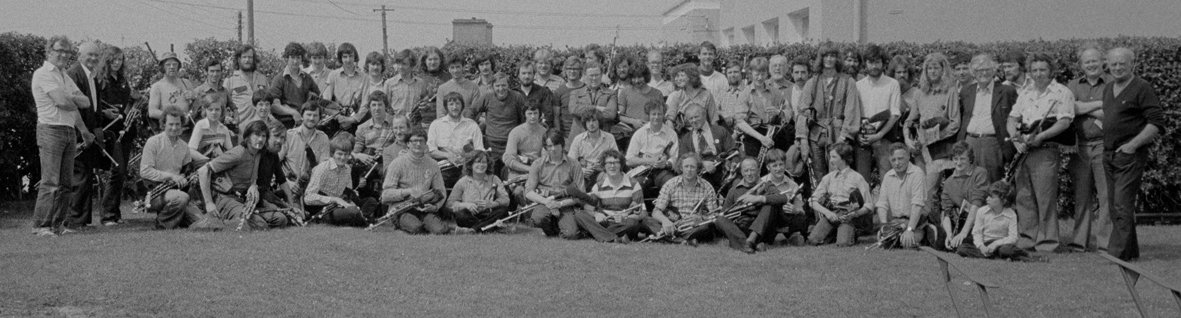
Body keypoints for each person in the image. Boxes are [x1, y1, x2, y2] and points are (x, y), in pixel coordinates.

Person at [1007, 53, 1075, 253]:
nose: (1038, 74)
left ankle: (1047, 243)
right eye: (1034, 70)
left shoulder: (1062, 92)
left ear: (1051, 71)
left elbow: (1064, 122)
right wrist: (1014, 136)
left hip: (1045, 151)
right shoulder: (1025, 92)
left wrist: (1042, 136)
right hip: (1023, 150)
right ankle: (1027, 239)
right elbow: (1012, 118)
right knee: (1024, 196)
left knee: (1044, 197)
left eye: (1042, 70)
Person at [1103, 47, 1164, 261]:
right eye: (1113, 64)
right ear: (1108, 66)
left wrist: (1133, 145)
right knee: (1116, 205)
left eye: (1122, 63)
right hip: (1109, 154)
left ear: (1133, 64)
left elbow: (1156, 122)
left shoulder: (1142, 87)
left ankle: (1117, 255)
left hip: (1129, 155)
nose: (1118, 67)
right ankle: (1130, 252)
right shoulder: (1109, 88)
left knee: (1121, 203)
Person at [31, 35, 93, 236]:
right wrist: (69, 97)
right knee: (50, 181)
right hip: (50, 130)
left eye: (67, 52)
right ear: (49, 51)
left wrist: (69, 99)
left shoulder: (64, 76)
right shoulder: (42, 74)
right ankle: (41, 226)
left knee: (66, 183)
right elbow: (62, 102)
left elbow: (86, 102)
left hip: (68, 131)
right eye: (60, 51)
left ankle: (58, 225)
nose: (64, 55)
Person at [526, 131, 622, 242]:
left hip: (566, 202)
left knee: (571, 235)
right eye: (549, 146)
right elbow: (528, 192)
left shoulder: (574, 164)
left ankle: (560, 224)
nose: (553, 149)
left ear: (562, 145)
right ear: (545, 147)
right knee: (538, 219)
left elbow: (581, 194)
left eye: (556, 145)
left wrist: (560, 204)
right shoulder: (537, 164)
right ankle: (552, 227)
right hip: (545, 200)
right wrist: (547, 202)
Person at [197, 121, 291, 230]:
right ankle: (208, 224)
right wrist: (209, 203)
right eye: (256, 135)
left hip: (242, 199)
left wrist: (253, 185)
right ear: (247, 136)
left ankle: (236, 221)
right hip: (225, 197)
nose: (260, 139)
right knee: (257, 225)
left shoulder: (258, 153)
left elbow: (258, 177)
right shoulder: (238, 153)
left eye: (263, 136)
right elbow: (203, 171)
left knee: (280, 220)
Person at [1066, 46, 1113, 253]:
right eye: (1087, 62)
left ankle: (1105, 243)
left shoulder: (1113, 83)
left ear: (1102, 61)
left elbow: (1113, 112)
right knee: (1081, 196)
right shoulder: (1073, 85)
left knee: (1106, 196)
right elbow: (1070, 108)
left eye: (1095, 60)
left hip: (1105, 145)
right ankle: (1079, 242)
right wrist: (1098, 106)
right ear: (1081, 65)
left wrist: (1084, 107)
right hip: (1080, 147)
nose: (1091, 65)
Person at [139, 107, 217, 230]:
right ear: (164, 124)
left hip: (177, 192)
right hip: (153, 192)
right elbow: (145, 171)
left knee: (203, 223)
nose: (174, 128)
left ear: (182, 125)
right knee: (182, 198)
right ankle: (162, 225)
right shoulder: (153, 142)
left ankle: (178, 217)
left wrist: (191, 179)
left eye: (177, 124)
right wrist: (170, 176)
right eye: (171, 124)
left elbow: (185, 174)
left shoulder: (184, 147)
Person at [66, 41, 117, 229]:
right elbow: (73, 106)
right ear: (80, 56)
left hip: (90, 133)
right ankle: (73, 221)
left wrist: (103, 114)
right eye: (90, 55)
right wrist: (84, 132)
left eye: (96, 55)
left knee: (86, 176)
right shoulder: (74, 74)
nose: (94, 59)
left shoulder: (92, 76)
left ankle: (83, 220)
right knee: (78, 177)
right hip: (79, 133)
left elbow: (92, 105)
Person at [904, 53, 961, 210]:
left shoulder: (950, 91)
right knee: (922, 191)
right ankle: (925, 227)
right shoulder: (919, 93)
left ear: (943, 69)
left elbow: (955, 123)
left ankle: (940, 228)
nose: (933, 71)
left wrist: (935, 137)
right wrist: (908, 140)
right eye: (929, 68)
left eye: (936, 68)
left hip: (941, 149)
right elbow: (910, 120)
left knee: (932, 190)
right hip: (922, 150)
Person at [797, 46, 863, 178]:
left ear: (837, 59)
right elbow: (802, 111)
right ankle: (819, 199)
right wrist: (803, 140)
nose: (829, 59)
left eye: (832, 55)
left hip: (838, 135)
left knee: (837, 175)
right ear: (821, 59)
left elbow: (851, 112)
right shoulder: (812, 82)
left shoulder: (848, 81)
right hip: (815, 135)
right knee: (818, 175)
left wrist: (843, 138)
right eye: (825, 56)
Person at [719, 153, 805, 252]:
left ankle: (750, 240)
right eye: (746, 170)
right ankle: (749, 244)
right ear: (742, 172)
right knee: (720, 219)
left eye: (752, 170)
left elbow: (783, 197)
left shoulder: (766, 185)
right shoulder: (733, 190)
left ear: (758, 171)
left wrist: (759, 199)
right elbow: (724, 213)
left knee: (769, 204)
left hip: (763, 231)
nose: (749, 173)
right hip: (743, 227)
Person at [957, 53, 1019, 182]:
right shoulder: (966, 91)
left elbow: (1016, 117)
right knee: (968, 182)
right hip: (969, 141)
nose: (983, 73)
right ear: (973, 72)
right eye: (979, 70)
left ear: (993, 71)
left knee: (992, 182)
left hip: (992, 143)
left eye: (987, 69)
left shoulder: (1007, 91)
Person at [94, 45, 137, 226]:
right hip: (109, 131)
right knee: (116, 171)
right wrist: (105, 113)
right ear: (107, 61)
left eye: (120, 60)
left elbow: (127, 104)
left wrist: (135, 103)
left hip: (125, 130)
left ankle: (116, 213)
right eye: (114, 60)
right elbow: (95, 106)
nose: (117, 63)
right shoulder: (100, 81)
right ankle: (107, 216)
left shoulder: (123, 80)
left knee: (121, 172)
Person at [650, 153, 731, 247]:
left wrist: (700, 218)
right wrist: (665, 221)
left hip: (694, 226)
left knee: (706, 228)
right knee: (648, 221)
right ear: (681, 168)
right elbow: (656, 211)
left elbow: (714, 214)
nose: (689, 170)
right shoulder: (670, 184)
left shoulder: (707, 187)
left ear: (698, 169)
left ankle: (669, 238)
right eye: (686, 166)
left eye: (692, 167)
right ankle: (682, 241)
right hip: (672, 223)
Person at [381, 128, 448, 234]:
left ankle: (456, 229)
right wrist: (408, 191)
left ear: (426, 144)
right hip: (401, 210)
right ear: (408, 144)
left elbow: (441, 191)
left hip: (424, 209)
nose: (418, 144)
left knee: (439, 231)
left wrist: (435, 207)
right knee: (417, 229)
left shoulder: (433, 164)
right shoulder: (397, 163)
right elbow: (385, 196)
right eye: (414, 141)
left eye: (421, 141)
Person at [305, 133, 380, 227]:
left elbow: (348, 193)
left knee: (371, 201)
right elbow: (308, 198)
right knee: (353, 211)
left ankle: (359, 219)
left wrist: (349, 201)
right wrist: (334, 199)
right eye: (339, 154)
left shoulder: (347, 169)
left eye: (346, 155)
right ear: (332, 154)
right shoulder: (322, 168)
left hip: (339, 206)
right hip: (322, 209)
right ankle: (363, 220)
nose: (343, 158)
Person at [807, 143, 872, 247]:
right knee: (812, 240)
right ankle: (834, 232)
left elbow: (869, 205)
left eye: (834, 157)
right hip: (832, 213)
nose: (830, 160)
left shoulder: (857, 178)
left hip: (849, 215)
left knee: (843, 243)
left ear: (844, 158)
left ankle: (852, 232)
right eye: (830, 157)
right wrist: (827, 213)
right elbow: (812, 201)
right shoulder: (828, 178)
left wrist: (854, 215)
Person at [956, 181, 1039, 261]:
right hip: (985, 243)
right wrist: (981, 247)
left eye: (991, 197)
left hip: (1001, 245)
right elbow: (977, 232)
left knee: (1006, 250)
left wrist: (996, 244)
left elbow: (1013, 238)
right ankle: (998, 257)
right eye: (988, 196)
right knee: (962, 248)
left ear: (1003, 200)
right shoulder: (981, 211)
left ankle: (1025, 255)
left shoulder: (1011, 214)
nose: (987, 199)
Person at [854, 45, 903, 180]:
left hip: (884, 138)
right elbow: (854, 114)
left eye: (877, 62)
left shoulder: (892, 84)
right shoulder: (858, 86)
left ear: (883, 63)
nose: (874, 66)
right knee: (862, 181)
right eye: (871, 62)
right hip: (862, 139)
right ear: (865, 64)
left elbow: (895, 114)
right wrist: (858, 135)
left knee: (887, 179)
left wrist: (879, 135)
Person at [586, 150, 657, 240]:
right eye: (609, 163)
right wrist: (596, 215)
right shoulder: (598, 186)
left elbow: (642, 213)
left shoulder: (633, 184)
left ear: (621, 165)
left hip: (625, 222)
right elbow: (588, 208)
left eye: (616, 163)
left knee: (633, 223)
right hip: (606, 221)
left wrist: (625, 217)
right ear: (604, 166)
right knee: (580, 215)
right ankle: (614, 235)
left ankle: (602, 234)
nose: (612, 166)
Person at [469, 72, 527, 176]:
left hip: (511, 145)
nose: (501, 89)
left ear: (508, 85)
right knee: (491, 175)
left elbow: (524, 119)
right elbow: (471, 111)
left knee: (510, 175)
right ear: (492, 86)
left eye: (504, 85)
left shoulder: (517, 97)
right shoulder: (487, 97)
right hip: (491, 145)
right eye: (497, 86)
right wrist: (473, 129)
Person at [937, 142, 989, 251]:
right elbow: (946, 212)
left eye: (962, 159)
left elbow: (976, 205)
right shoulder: (948, 182)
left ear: (970, 159)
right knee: (940, 243)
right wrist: (949, 234)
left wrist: (963, 234)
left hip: (982, 223)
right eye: (955, 159)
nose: (958, 163)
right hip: (961, 222)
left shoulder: (980, 173)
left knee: (962, 247)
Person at [874, 143, 927, 249]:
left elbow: (917, 204)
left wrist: (910, 230)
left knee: (907, 243)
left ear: (908, 157)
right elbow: (882, 204)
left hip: (915, 222)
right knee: (885, 242)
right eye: (893, 160)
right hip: (895, 222)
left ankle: (925, 232)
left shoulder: (917, 173)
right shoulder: (888, 176)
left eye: (900, 159)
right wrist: (883, 226)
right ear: (889, 160)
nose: (897, 163)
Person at [428, 92, 485, 187]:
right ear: (446, 107)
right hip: (444, 168)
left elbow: (480, 150)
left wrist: (467, 156)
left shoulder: (472, 125)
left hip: (467, 167)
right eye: (451, 104)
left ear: (462, 106)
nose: (454, 107)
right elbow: (431, 150)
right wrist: (448, 155)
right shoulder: (436, 125)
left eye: (457, 104)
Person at [739, 57, 792, 159]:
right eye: (756, 74)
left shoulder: (774, 92)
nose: (759, 78)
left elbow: (788, 112)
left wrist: (779, 112)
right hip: (754, 136)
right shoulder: (745, 94)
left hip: (773, 135)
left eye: (762, 74)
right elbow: (740, 122)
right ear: (751, 74)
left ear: (767, 74)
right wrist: (761, 138)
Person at [625, 101, 679, 198]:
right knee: (637, 185)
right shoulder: (639, 133)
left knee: (671, 184)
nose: (657, 117)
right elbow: (629, 160)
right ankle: (639, 211)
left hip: (663, 170)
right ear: (648, 115)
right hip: (643, 170)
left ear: (664, 115)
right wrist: (649, 160)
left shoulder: (672, 134)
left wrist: (666, 163)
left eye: (659, 114)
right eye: (653, 114)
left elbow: (675, 157)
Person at [448, 150, 511, 232]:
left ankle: (473, 230)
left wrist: (492, 204)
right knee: (460, 214)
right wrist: (465, 205)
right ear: (470, 165)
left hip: (489, 214)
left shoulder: (494, 179)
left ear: (488, 164)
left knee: (503, 210)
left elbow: (506, 200)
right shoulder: (462, 181)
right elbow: (449, 204)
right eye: (478, 162)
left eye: (484, 162)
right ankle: (489, 227)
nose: (481, 165)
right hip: (470, 216)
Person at [677, 103, 733, 188]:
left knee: (737, 185)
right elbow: (681, 160)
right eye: (691, 118)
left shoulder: (720, 130)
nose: (694, 121)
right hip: (701, 174)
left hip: (724, 170)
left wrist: (733, 164)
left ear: (704, 115)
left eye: (696, 117)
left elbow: (733, 149)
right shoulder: (686, 139)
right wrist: (702, 164)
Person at [279, 101, 331, 191]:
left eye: (315, 115)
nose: (311, 118)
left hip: (312, 185)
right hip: (290, 183)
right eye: (309, 114)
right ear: (302, 116)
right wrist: (286, 182)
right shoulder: (289, 135)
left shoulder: (323, 138)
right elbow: (275, 162)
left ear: (319, 118)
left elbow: (323, 167)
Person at [268, 42, 318, 128]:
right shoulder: (279, 79)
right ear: (286, 58)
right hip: (286, 125)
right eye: (292, 57)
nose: (295, 61)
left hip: (305, 124)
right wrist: (293, 113)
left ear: (301, 59)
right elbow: (274, 106)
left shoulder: (307, 78)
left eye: (298, 58)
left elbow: (318, 98)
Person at [566, 61, 617, 144]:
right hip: (578, 140)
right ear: (585, 76)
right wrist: (597, 108)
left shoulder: (611, 93)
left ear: (601, 75)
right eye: (591, 75)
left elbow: (610, 114)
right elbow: (573, 109)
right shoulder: (575, 93)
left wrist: (583, 111)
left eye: (597, 75)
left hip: (601, 140)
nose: (594, 78)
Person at [321, 43, 366, 132]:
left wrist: (352, 120)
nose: (348, 60)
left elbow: (366, 103)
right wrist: (339, 118)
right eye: (345, 57)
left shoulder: (364, 77)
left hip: (358, 122)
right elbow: (326, 102)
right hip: (336, 120)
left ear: (355, 57)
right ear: (340, 58)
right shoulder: (333, 75)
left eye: (351, 56)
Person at [568, 109, 619, 187]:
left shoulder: (609, 138)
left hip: (602, 172)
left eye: (594, 121)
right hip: (583, 173)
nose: (591, 124)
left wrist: (603, 167)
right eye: (588, 121)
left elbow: (616, 159)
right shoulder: (578, 139)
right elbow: (570, 163)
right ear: (585, 123)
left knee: (607, 178)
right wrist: (581, 171)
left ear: (599, 122)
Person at [224, 45, 272, 128]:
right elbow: (223, 105)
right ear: (239, 59)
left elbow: (270, 102)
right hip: (240, 129)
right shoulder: (230, 80)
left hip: (261, 129)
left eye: (250, 57)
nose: (247, 60)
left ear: (254, 60)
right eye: (244, 57)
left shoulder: (262, 78)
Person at [503, 105, 548, 191]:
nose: (533, 116)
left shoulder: (544, 132)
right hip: (518, 171)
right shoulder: (515, 132)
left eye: (535, 113)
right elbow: (508, 159)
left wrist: (536, 169)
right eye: (529, 113)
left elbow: (545, 156)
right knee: (519, 192)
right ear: (524, 114)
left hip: (538, 170)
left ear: (540, 114)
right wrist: (529, 169)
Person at [665, 63, 719, 132]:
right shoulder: (676, 96)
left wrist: (716, 139)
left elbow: (714, 120)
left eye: (681, 75)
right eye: (676, 76)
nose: (676, 79)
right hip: (684, 137)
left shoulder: (706, 94)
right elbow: (669, 120)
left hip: (705, 134)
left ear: (691, 76)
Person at [147, 51, 197, 122]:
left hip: (188, 128)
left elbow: (197, 106)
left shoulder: (186, 83)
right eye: (168, 65)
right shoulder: (157, 87)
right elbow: (152, 112)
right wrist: (175, 118)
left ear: (178, 66)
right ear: (163, 67)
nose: (172, 67)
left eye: (174, 64)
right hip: (167, 128)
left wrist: (193, 97)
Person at [617, 62, 664, 135]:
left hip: (651, 132)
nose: (636, 81)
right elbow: (620, 116)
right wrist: (633, 121)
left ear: (646, 77)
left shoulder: (657, 94)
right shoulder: (625, 92)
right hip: (629, 132)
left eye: (639, 77)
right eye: (634, 78)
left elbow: (661, 116)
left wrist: (649, 124)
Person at [435, 54, 480, 124]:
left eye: (458, 67)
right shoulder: (442, 89)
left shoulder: (473, 87)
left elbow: (476, 111)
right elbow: (441, 114)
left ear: (463, 67)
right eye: (452, 67)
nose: (455, 70)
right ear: (448, 69)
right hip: (448, 128)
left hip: (468, 127)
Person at [187, 92, 234, 157]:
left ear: (222, 110)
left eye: (217, 109)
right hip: (203, 164)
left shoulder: (224, 129)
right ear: (205, 110)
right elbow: (191, 150)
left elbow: (230, 151)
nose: (214, 112)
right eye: (210, 109)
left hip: (220, 164)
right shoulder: (200, 126)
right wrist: (208, 162)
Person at [515, 61, 558, 130]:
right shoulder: (513, 93)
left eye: (529, 73)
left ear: (534, 75)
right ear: (518, 75)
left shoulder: (544, 92)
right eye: (523, 73)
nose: (527, 76)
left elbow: (548, 116)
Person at [554, 56, 586, 139]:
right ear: (565, 70)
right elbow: (556, 116)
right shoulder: (559, 91)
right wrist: (558, 135)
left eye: (575, 69)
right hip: (566, 136)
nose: (572, 71)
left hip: (584, 134)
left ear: (580, 71)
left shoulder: (587, 89)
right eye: (569, 68)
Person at [715, 59, 751, 128]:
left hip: (744, 133)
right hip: (724, 132)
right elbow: (713, 110)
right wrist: (722, 113)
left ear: (741, 74)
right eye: (730, 72)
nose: (732, 75)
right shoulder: (723, 92)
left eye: (735, 72)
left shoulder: (749, 92)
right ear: (726, 75)